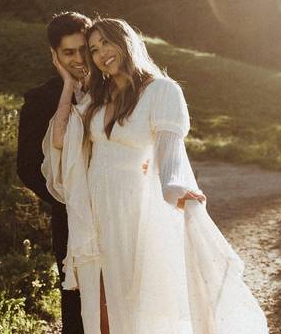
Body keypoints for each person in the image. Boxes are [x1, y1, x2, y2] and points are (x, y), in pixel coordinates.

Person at [42, 17, 268, 334]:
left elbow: (169, 150)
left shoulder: (161, 91)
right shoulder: (97, 99)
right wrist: (67, 82)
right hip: (97, 215)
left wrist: (175, 187)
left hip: (136, 210)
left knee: (142, 305)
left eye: (106, 42)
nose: (100, 53)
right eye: (93, 49)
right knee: (102, 309)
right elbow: (59, 140)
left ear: (127, 42)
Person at [17, 11, 103, 334]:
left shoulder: (111, 88)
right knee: (76, 303)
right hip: (69, 215)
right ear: (54, 55)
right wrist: (68, 195)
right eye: (69, 52)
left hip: (115, 209)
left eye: (84, 49)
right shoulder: (39, 100)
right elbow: (26, 166)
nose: (79, 59)